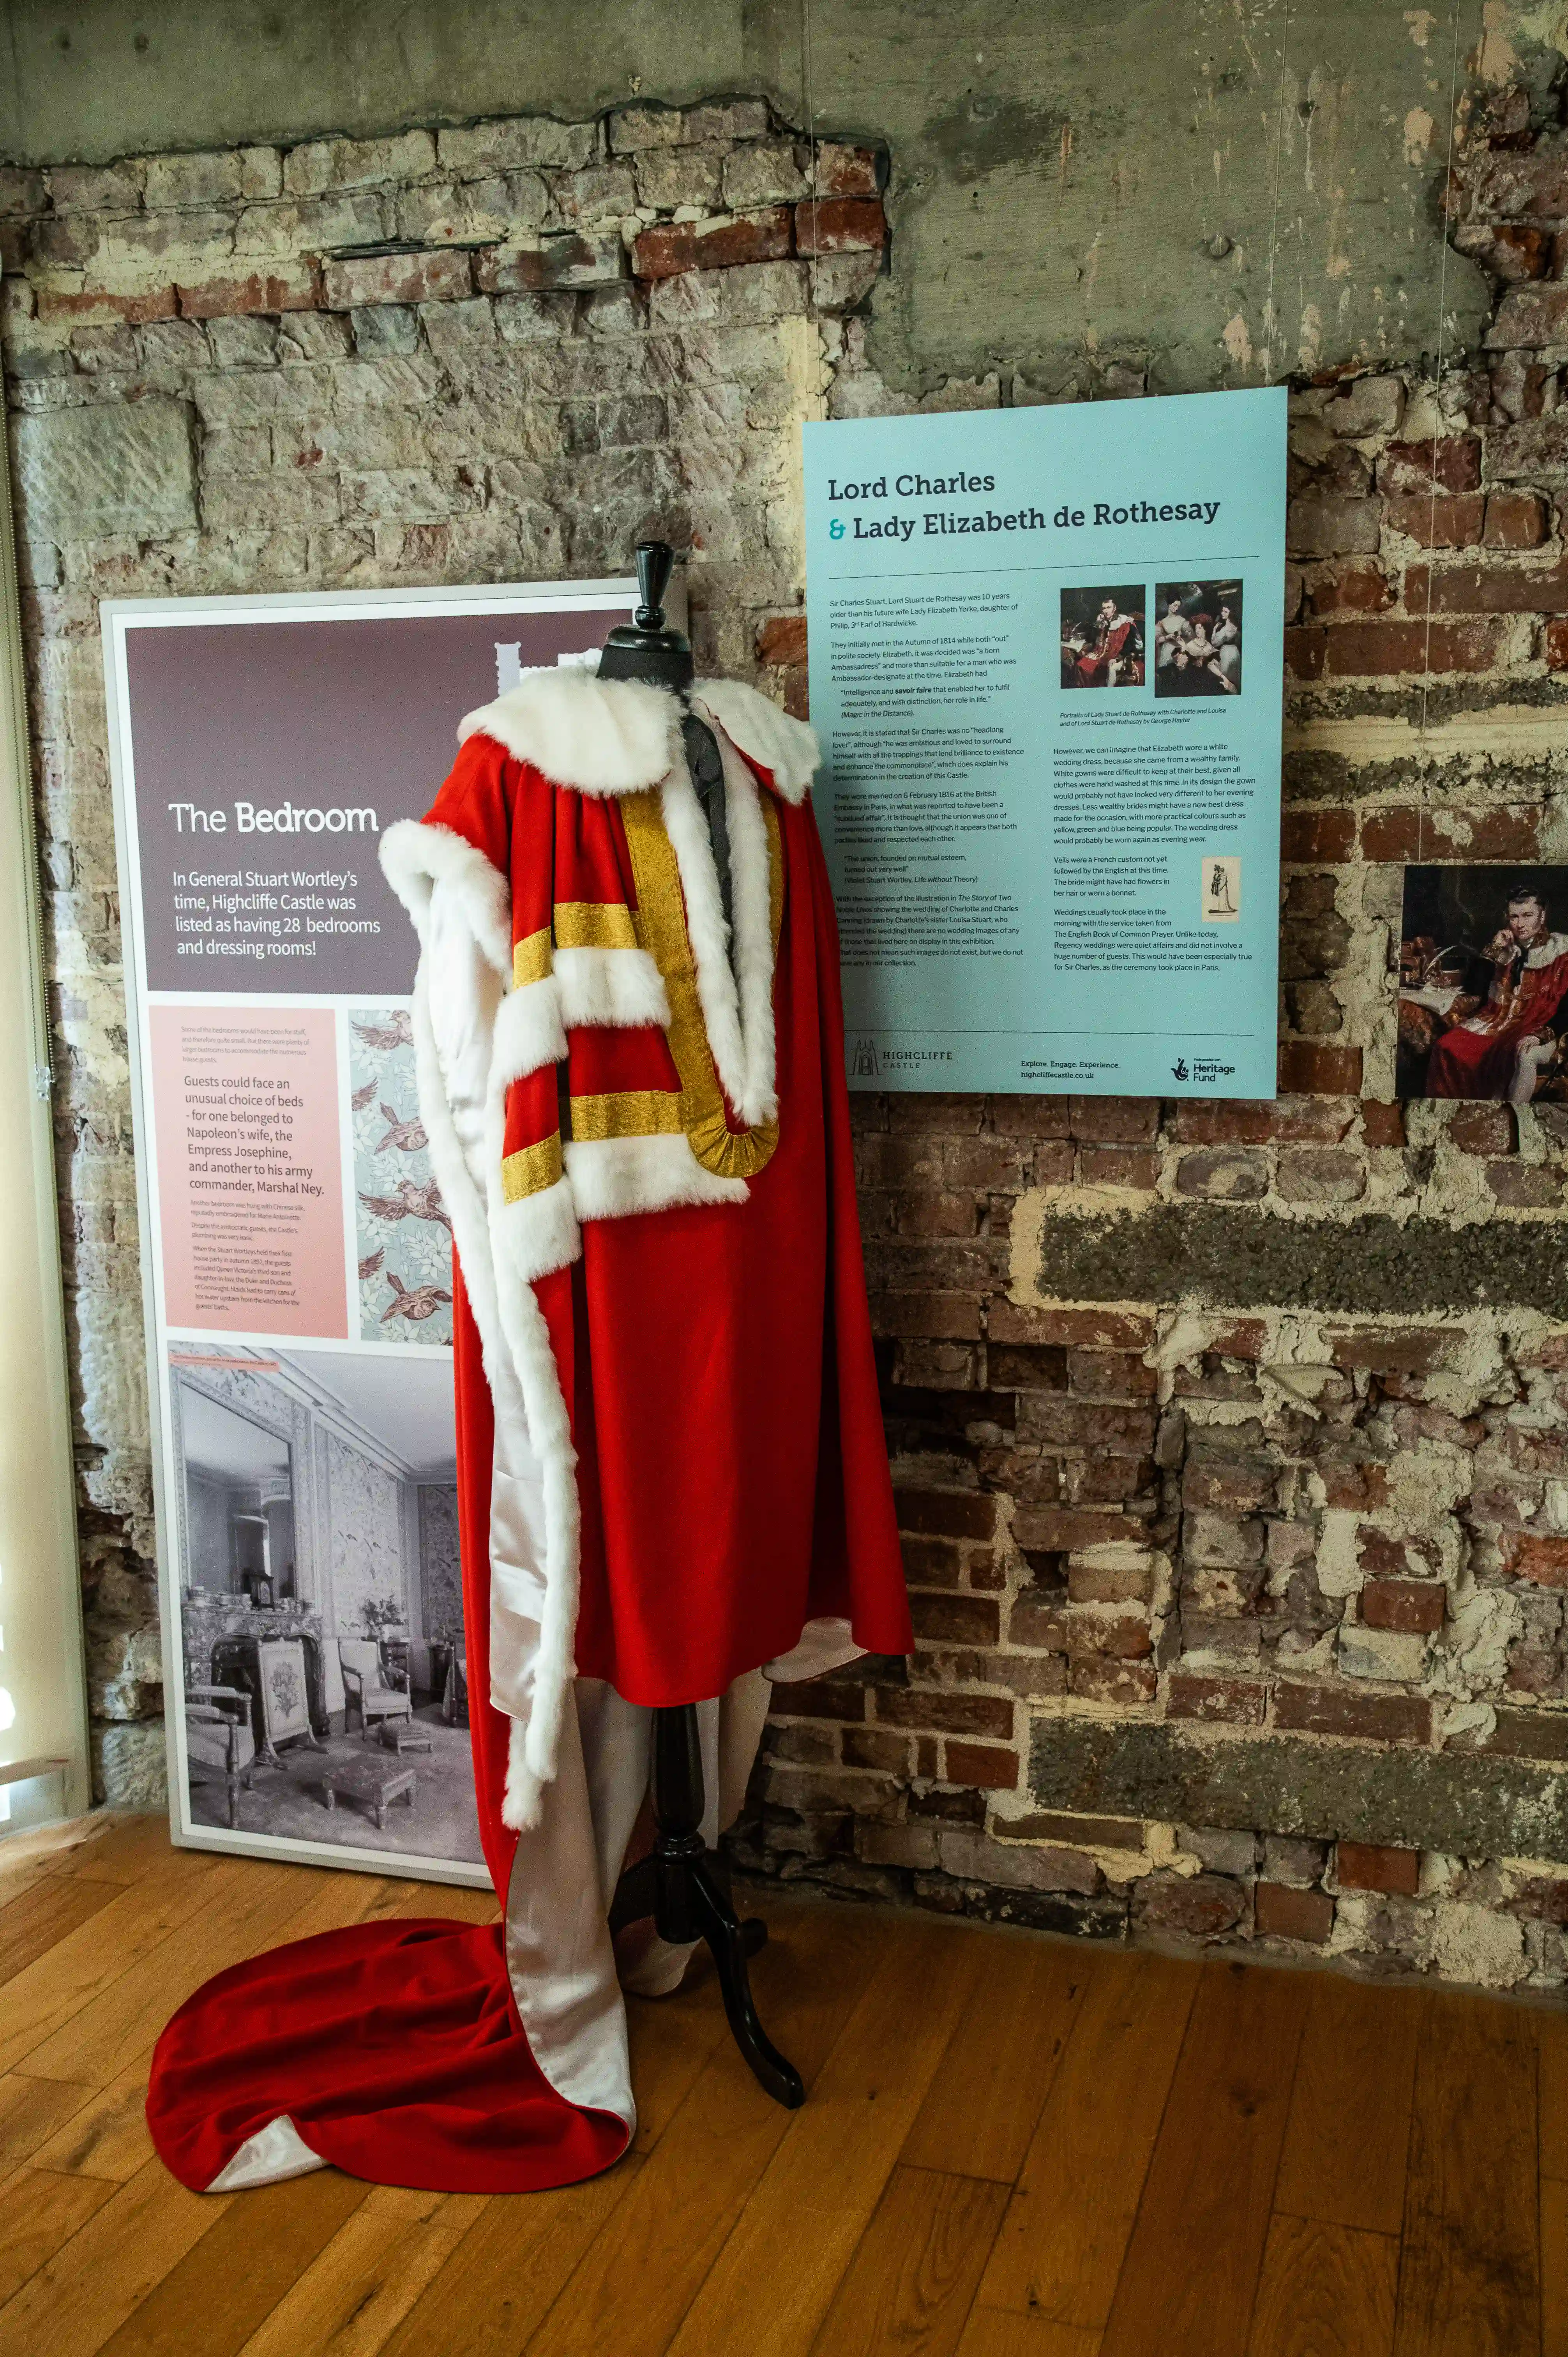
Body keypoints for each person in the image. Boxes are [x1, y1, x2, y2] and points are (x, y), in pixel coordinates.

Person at [1409, 885, 1568, 1101]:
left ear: (1542, 916)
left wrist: (1540, 1034)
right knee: (1446, 1046)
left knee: (1514, 1053)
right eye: (1514, 916)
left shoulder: (1561, 951)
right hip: (1498, 1020)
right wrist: (1494, 948)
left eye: (1528, 916)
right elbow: (1476, 988)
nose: (1520, 924)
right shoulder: (1505, 947)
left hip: (1543, 1025)